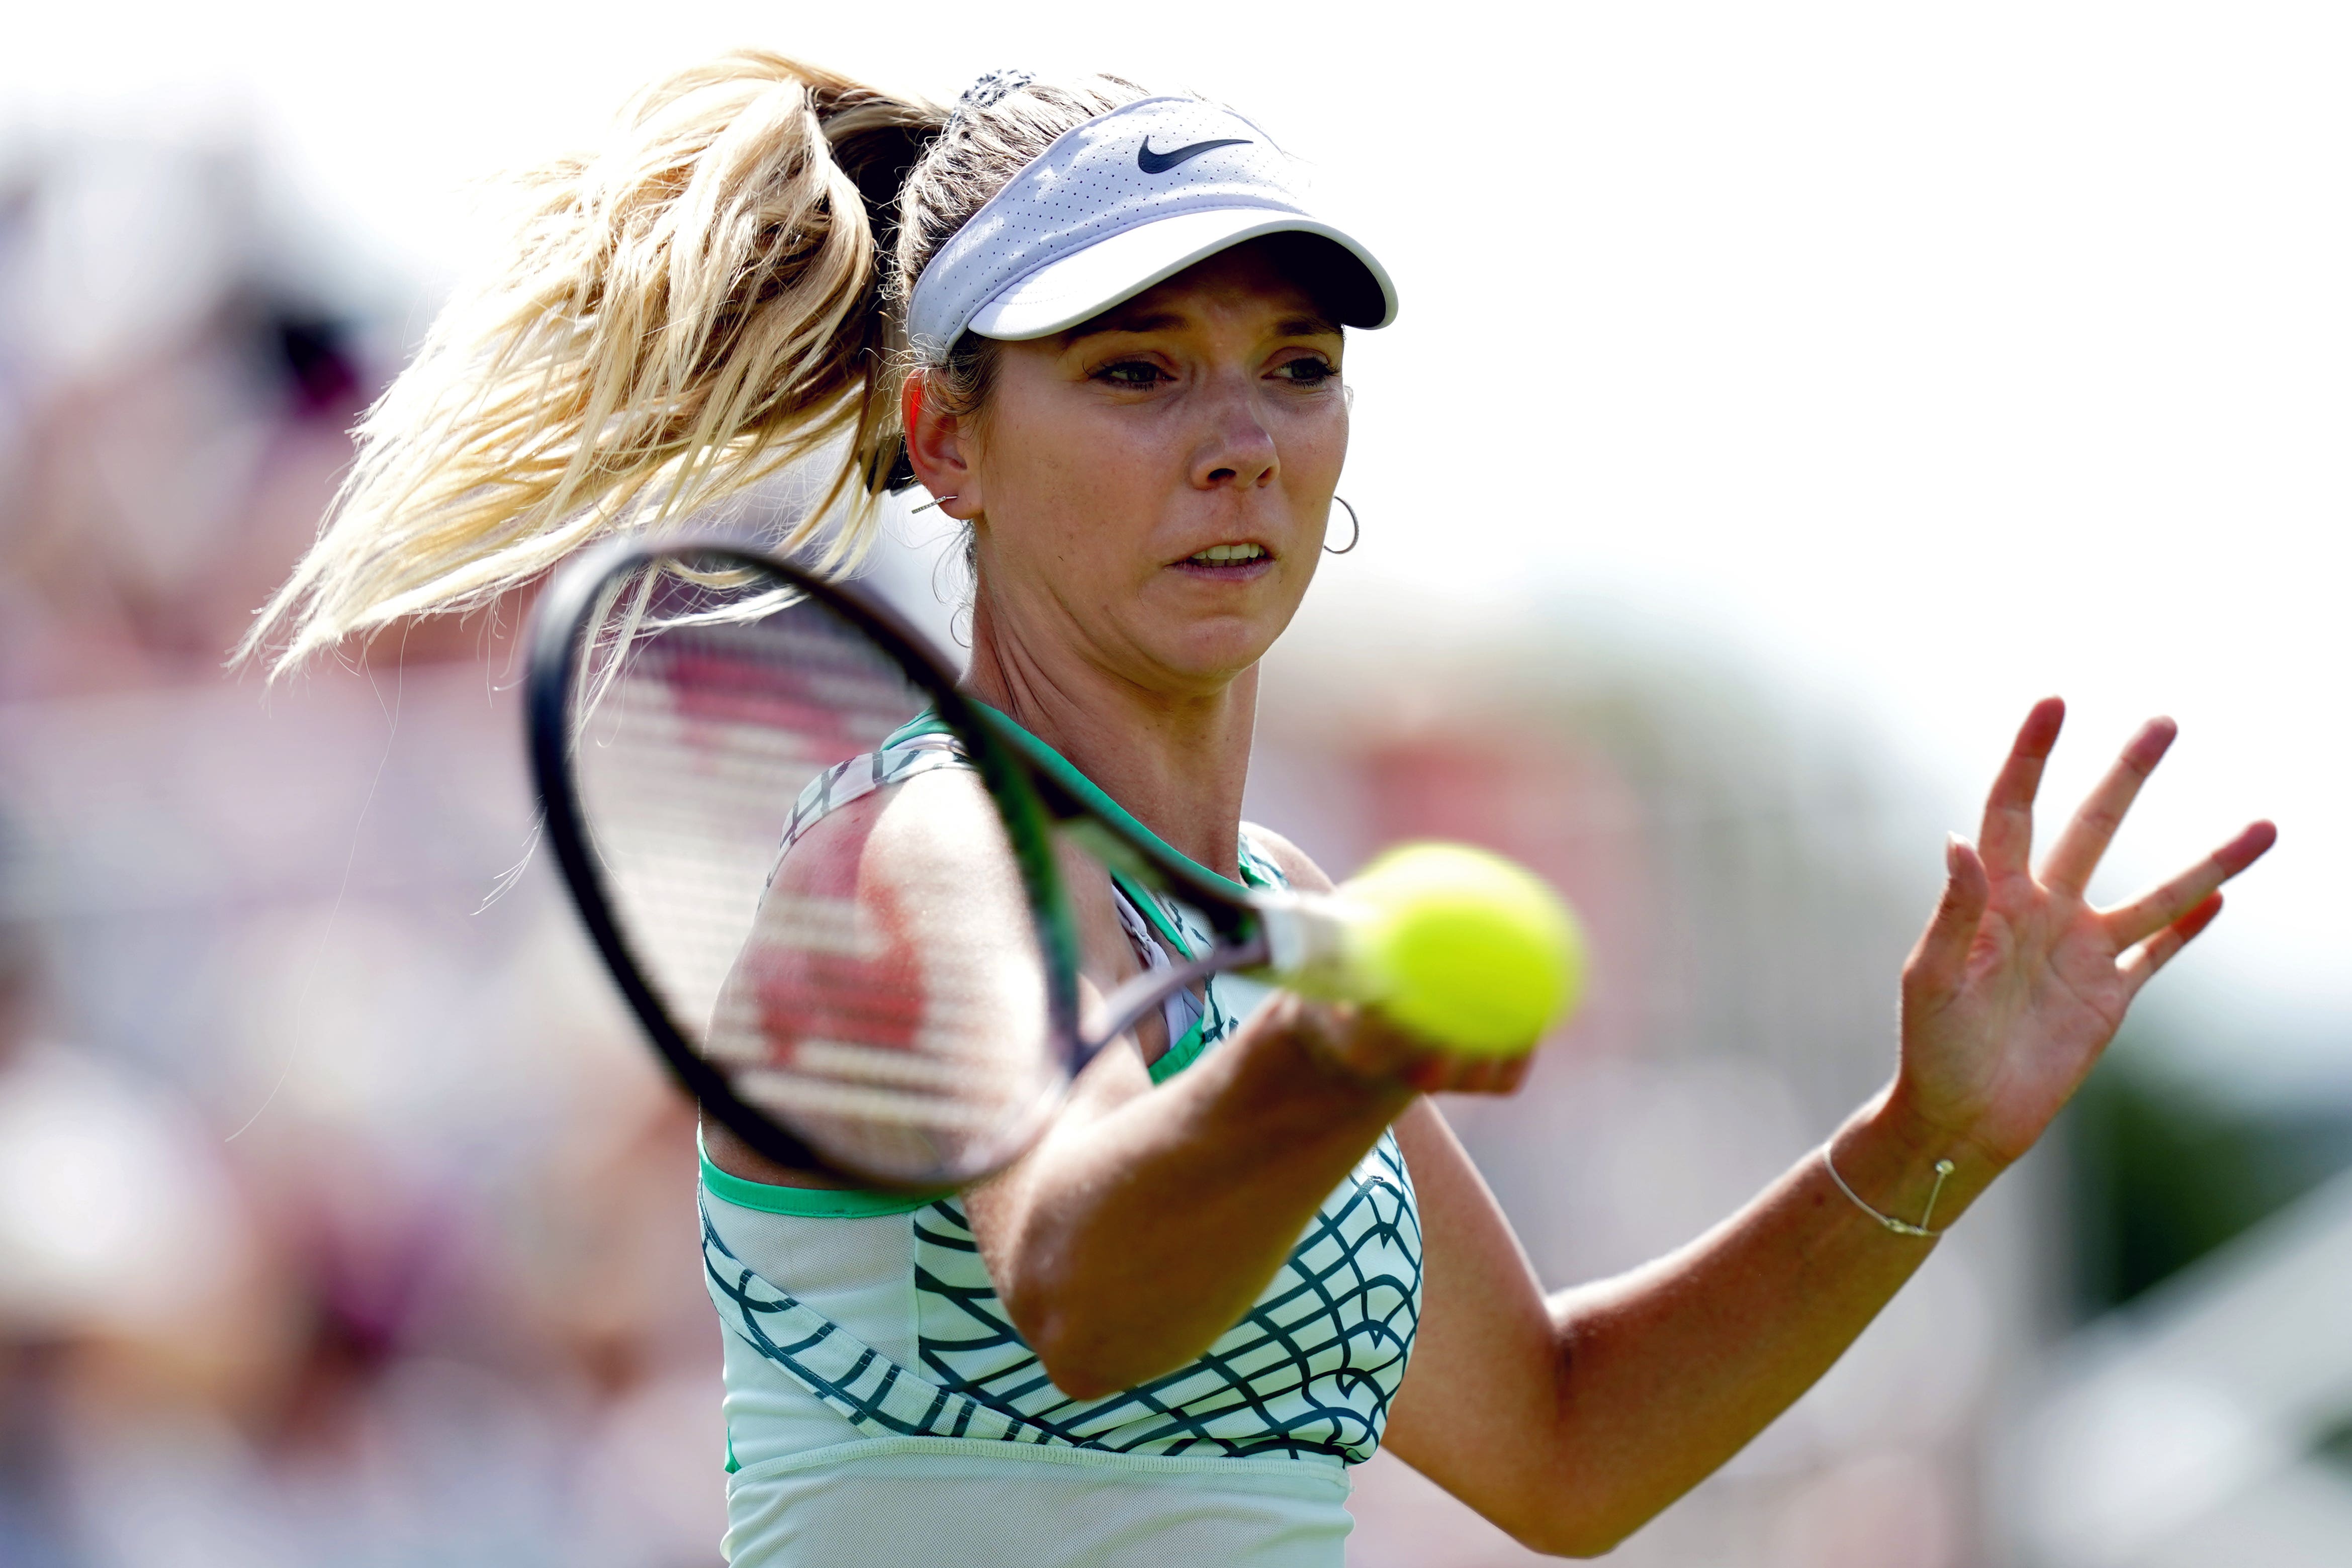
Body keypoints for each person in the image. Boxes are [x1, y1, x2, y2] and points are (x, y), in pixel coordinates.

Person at [246, 53, 2277, 1565]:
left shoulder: (1281, 901)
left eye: (1291, 367)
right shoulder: (929, 847)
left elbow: (1568, 1451)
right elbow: (1085, 1291)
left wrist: (1926, 1136)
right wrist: (1340, 1058)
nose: (1240, 444)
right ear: (946, 439)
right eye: (1137, 374)